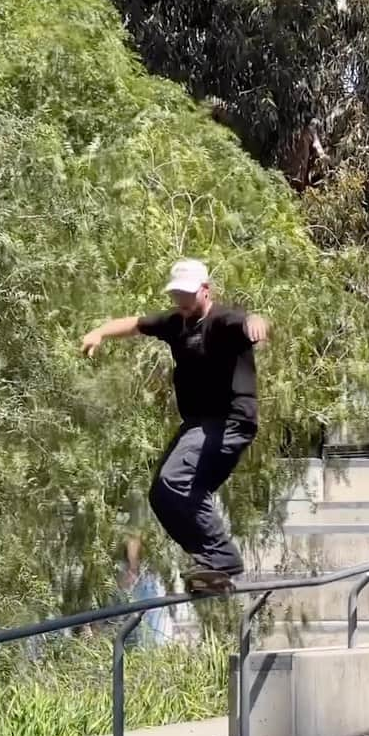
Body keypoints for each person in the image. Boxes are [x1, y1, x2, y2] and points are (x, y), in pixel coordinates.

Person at [81, 259, 268, 587]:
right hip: (199, 424)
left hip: (230, 423)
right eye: (177, 296)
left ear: (206, 291)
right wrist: (100, 332)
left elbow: (248, 321)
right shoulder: (176, 321)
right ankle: (211, 562)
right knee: (162, 496)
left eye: (188, 296)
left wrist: (257, 322)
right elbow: (136, 323)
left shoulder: (223, 321)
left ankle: (222, 557)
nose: (181, 303)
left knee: (174, 479)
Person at [114, 535, 173, 646]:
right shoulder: (123, 572)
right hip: (133, 636)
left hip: (155, 636)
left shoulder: (151, 575)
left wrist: (133, 569)